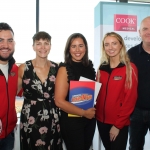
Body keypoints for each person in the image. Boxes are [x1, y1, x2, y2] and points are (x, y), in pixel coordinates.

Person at [18, 31, 62, 150]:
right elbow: (12, 93)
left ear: (50, 47)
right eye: (38, 44)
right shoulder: (23, 68)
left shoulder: (56, 68)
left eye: (46, 43)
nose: (42, 47)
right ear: (33, 47)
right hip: (30, 118)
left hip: (52, 118)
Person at [95, 32, 138, 150]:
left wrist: (118, 126)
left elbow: (130, 100)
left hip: (118, 123)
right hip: (101, 121)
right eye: (107, 44)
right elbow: (97, 95)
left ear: (121, 45)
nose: (110, 47)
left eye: (114, 43)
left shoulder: (129, 68)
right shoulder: (101, 69)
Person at [54, 33, 96, 150]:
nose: (77, 50)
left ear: (86, 48)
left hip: (89, 121)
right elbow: (59, 101)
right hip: (71, 122)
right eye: (73, 46)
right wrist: (83, 113)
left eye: (81, 46)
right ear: (68, 49)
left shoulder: (90, 67)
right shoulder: (64, 69)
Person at [128, 16, 150, 150]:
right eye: (145, 29)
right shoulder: (131, 54)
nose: (148, 32)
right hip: (136, 111)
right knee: (135, 147)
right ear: (139, 32)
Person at [0, 22, 18, 150]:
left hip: (8, 136)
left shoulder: (16, 70)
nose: (5, 45)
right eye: (0, 40)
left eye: (9, 40)